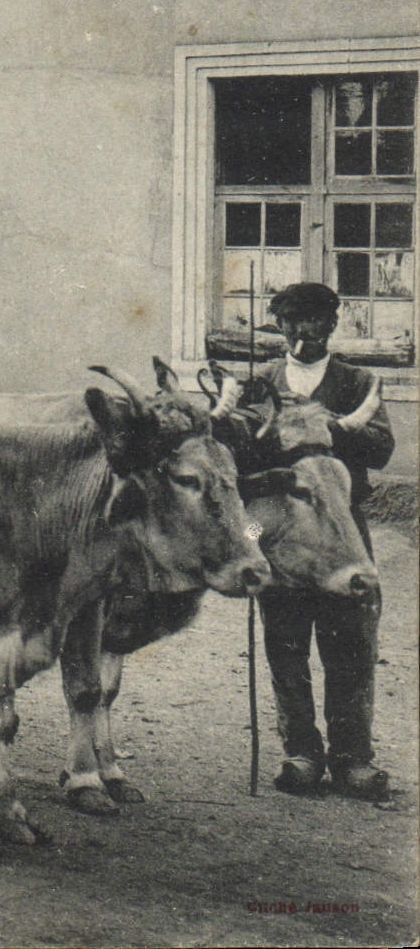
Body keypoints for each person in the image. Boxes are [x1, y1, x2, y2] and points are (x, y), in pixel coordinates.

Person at [252, 282, 395, 801]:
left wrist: (335, 430)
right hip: (279, 534)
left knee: (352, 644)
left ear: (331, 324)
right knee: (285, 646)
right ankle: (302, 753)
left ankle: (353, 758)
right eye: (289, 320)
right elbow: (242, 472)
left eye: (311, 320)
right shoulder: (260, 381)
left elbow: (381, 449)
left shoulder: (357, 382)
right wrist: (249, 542)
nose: (300, 331)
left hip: (344, 532)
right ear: (279, 325)